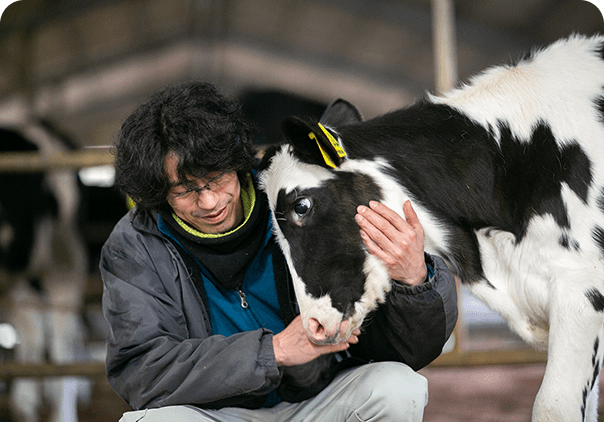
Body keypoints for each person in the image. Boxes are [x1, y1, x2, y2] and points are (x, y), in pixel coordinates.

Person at [100, 81, 458, 422]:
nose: (209, 201)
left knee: (397, 388)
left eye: (216, 178)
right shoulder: (135, 245)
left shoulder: (298, 202)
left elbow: (406, 350)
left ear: (237, 162)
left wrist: (414, 280)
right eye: (184, 190)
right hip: (211, 412)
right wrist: (274, 351)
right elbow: (140, 370)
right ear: (158, 193)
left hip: (318, 400)